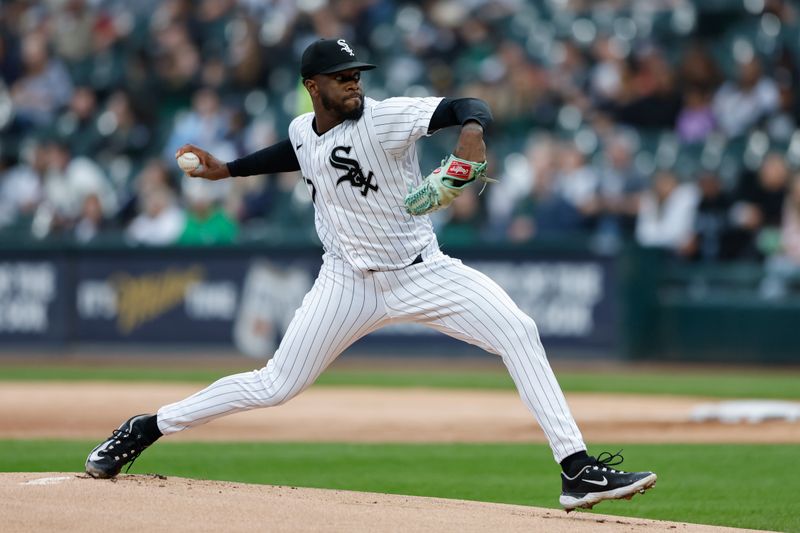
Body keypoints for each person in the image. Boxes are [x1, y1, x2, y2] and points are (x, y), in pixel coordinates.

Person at [85, 38, 656, 512]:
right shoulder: (305, 130)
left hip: (423, 271)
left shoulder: (386, 118)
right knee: (277, 384)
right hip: (346, 283)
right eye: (342, 77)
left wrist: (473, 131)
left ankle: (576, 469)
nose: (354, 83)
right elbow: (295, 150)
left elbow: (466, 103)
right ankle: (147, 426)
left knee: (519, 330)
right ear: (315, 87)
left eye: (357, 73)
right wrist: (229, 170)